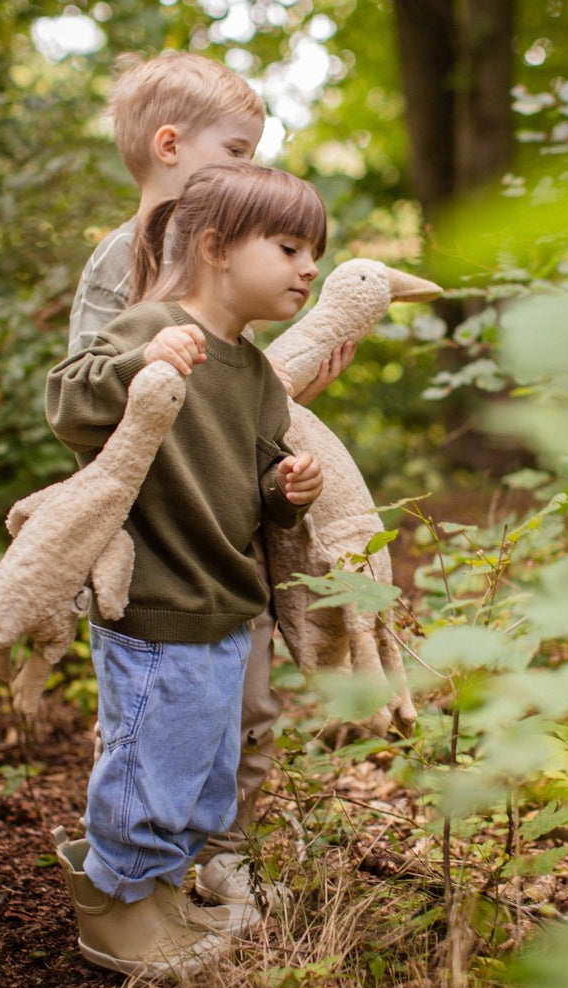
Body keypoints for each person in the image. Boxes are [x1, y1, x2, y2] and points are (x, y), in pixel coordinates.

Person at [67, 50, 357, 912]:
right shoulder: (125, 262)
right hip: (157, 539)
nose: (254, 169)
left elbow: (233, 402)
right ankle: (129, 873)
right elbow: (95, 393)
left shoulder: (243, 274)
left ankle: (220, 846)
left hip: (231, 535)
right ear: (169, 146)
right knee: (158, 709)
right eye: (238, 152)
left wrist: (287, 442)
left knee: (244, 698)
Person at [47, 161, 327, 977]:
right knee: (150, 766)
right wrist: (143, 364)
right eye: (289, 247)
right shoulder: (151, 326)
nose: (308, 269)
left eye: (315, 252)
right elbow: (67, 403)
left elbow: (261, 486)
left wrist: (288, 488)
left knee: (201, 766)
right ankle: (115, 912)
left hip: (225, 603)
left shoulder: (257, 375)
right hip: (158, 599)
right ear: (214, 246)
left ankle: (162, 891)